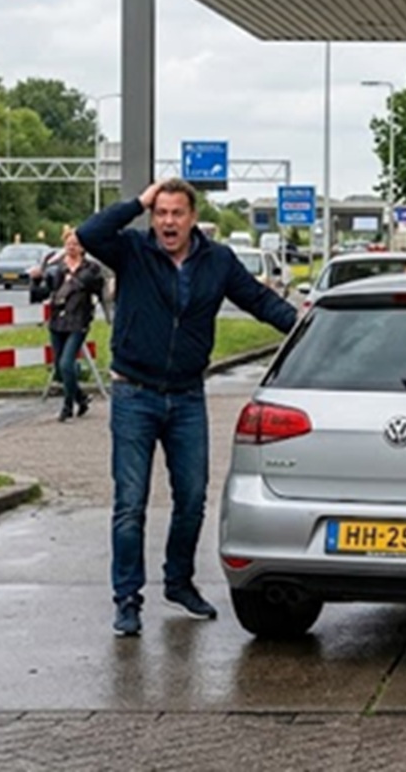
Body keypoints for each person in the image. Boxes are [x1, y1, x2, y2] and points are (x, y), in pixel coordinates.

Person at [78, 179, 298, 638]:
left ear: (192, 218)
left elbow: (259, 301)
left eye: (177, 213)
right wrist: (138, 199)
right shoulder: (133, 251)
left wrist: (307, 327)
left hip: (186, 397)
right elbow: (90, 234)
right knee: (130, 504)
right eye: (160, 213)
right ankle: (127, 599)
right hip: (133, 395)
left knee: (193, 499)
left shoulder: (216, 261)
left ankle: (178, 582)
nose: (168, 222)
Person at [30, 228, 105, 422]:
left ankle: (67, 405)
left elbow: (98, 288)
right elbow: (41, 294)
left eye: (76, 244)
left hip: (78, 321)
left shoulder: (91, 268)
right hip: (57, 321)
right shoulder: (57, 270)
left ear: (83, 248)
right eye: (69, 244)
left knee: (66, 362)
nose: (72, 248)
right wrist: (36, 279)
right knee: (59, 367)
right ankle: (81, 398)